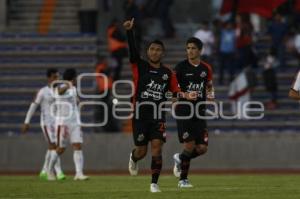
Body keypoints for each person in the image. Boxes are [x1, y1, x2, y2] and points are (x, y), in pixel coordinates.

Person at [123, 18, 196, 193]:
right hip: (140, 115)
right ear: (148, 52)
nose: (155, 52)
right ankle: (133, 157)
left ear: (162, 53)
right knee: (142, 151)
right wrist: (129, 32)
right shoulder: (140, 66)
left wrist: (186, 95)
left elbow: (175, 92)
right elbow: (133, 53)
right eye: (152, 49)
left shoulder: (167, 73)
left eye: (158, 50)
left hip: (157, 116)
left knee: (157, 146)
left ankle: (154, 184)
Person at [173, 37, 215, 188]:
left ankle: (180, 157)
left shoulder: (206, 68)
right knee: (189, 145)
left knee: (202, 148)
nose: (190, 51)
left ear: (200, 50)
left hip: (199, 111)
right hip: (184, 111)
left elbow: (209, 85)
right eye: (188, 48)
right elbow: (171, 91)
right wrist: (184, 95)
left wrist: (210, 95)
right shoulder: (180, 68)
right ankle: (183, 180)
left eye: (193, 48)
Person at [21, 68, 65, 180]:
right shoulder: (42, 91)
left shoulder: (60, 90)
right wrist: (27, 122)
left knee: (52, 147)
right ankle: (57, 173)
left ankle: (44, 170)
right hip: (46, 122)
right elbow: (33, 106)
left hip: (57, 122)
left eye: (58, 77)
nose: (57, 79)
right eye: (55, 77)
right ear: (49, 78)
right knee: (54, 146)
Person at [47, 68, 89, 181]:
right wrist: (67, 85)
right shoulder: (60, 87)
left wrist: (79, 103)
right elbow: (58, 93)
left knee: (78, 146)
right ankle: (49, 170)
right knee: (60, 148)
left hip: (75, 122)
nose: (76, 80)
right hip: (63, 123)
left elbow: (75, 100)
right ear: (72, 78)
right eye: (75, 77)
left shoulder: (74, 88)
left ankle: (79, 174)